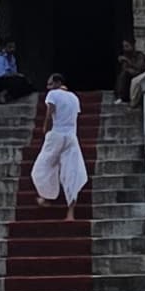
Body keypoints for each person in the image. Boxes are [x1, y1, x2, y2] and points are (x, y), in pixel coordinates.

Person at [29, 73, 88, 213]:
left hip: (56, 134)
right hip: (71, 136)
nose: (48, 87)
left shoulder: (53, 94)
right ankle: (71, 211)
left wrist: (45, 129)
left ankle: (46, 197)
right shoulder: (74, 97)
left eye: (50, 84)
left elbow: (50, 113)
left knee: (40, 168)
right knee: (72, 171)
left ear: (57, 83)